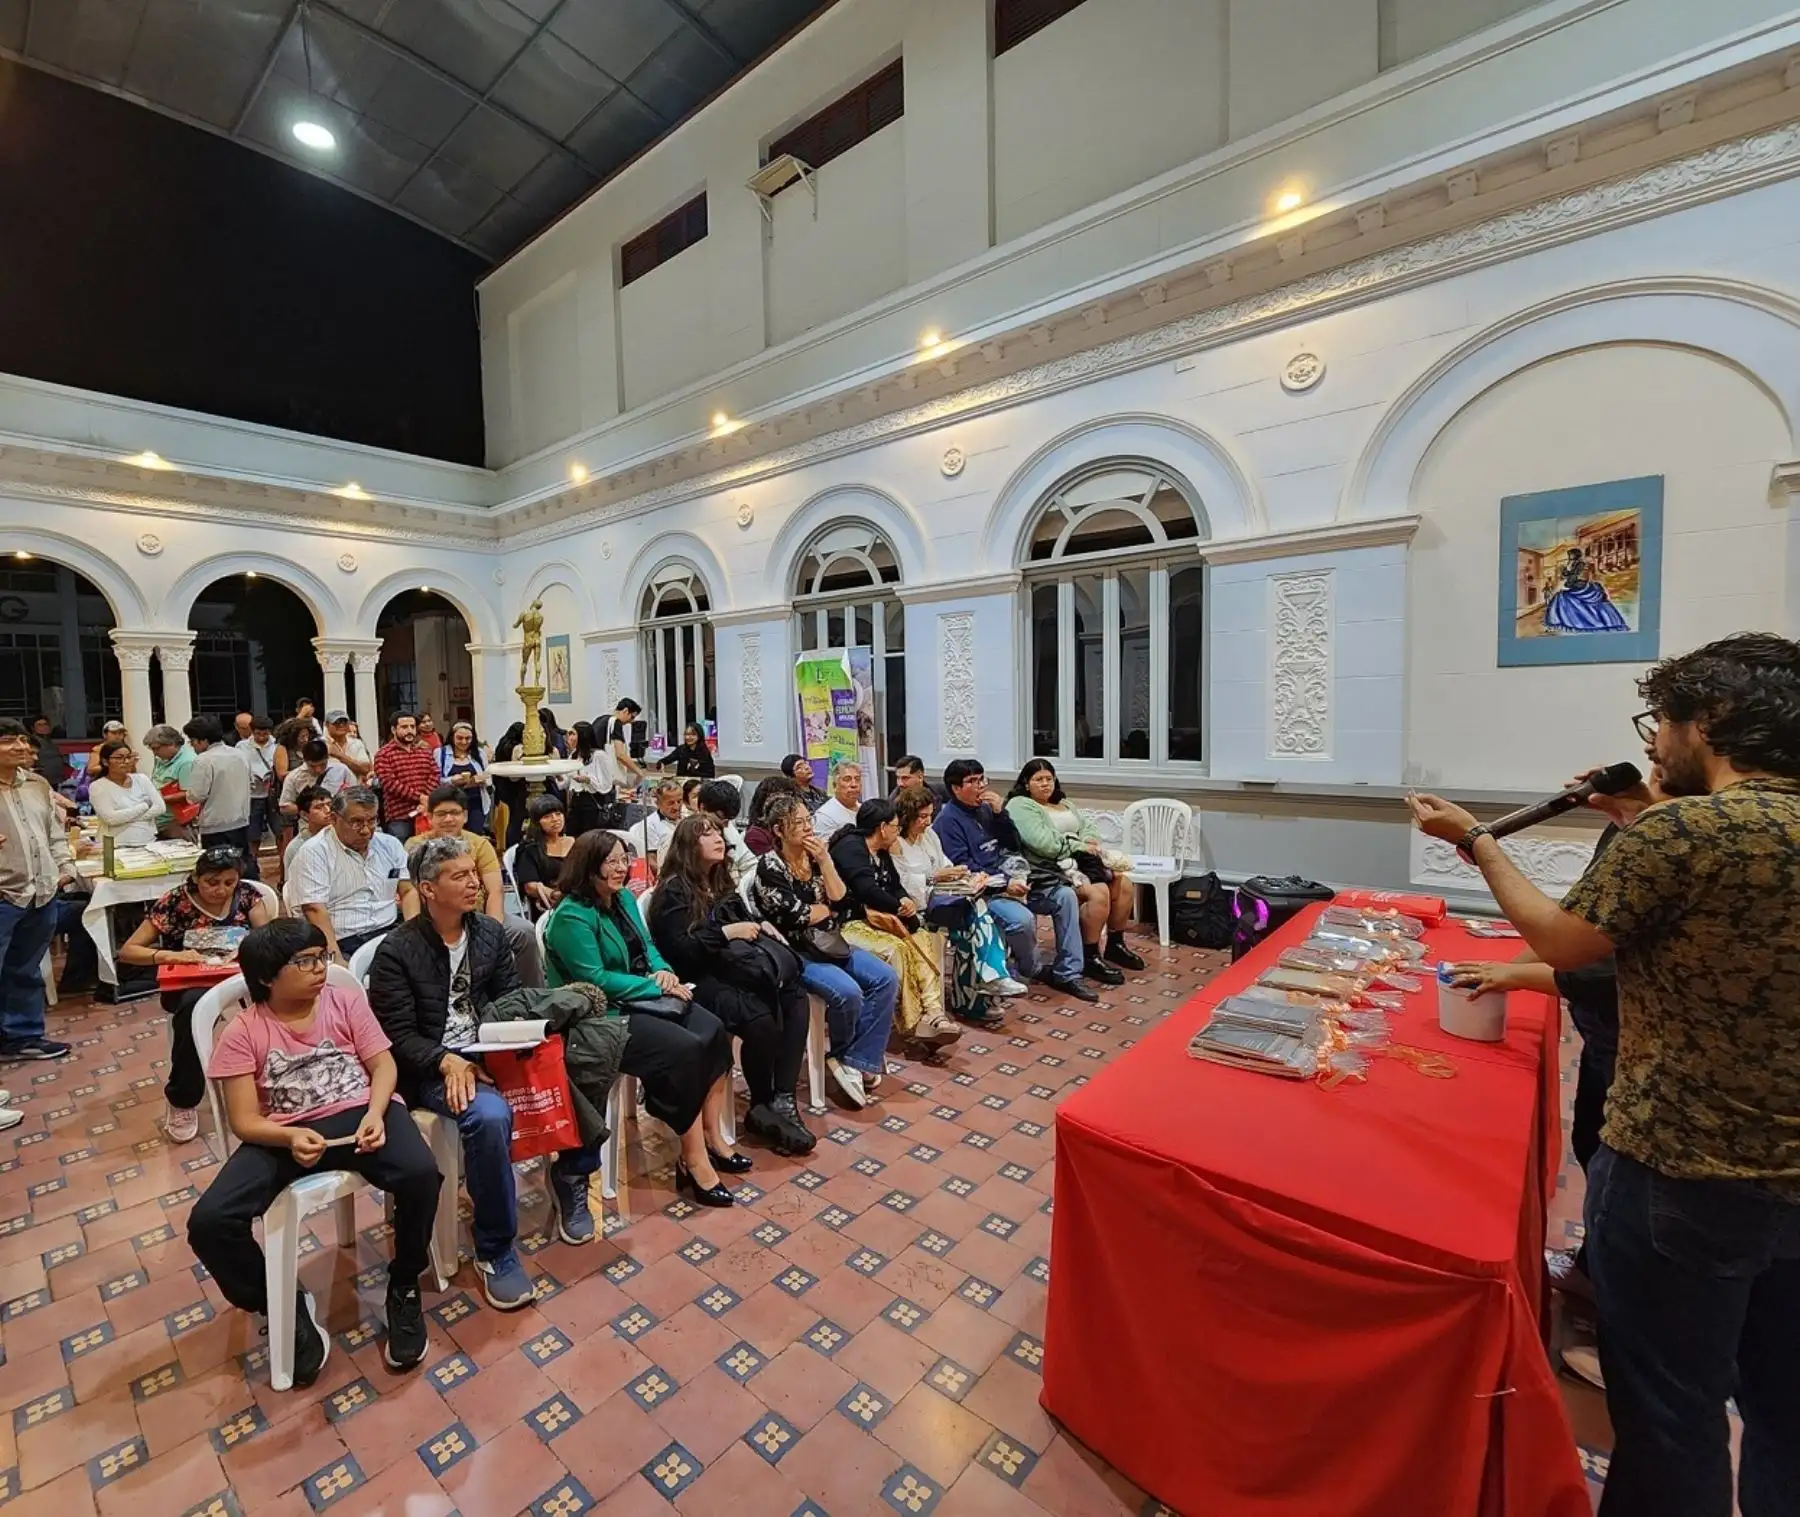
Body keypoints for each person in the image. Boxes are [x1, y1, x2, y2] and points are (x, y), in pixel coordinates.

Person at [1407, 632, 1800, 1517]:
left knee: (1671, 1412)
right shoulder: (1685, 827)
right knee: (1785, 1408)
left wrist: (1474, 838)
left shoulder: (1688, 831)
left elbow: (1563, 940)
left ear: (1714, 721)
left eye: (1664, 722)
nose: (1656, 744)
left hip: (1686, 1168)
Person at [187, 919, 439, 1385]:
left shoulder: (343, 1001)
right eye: (304, 962)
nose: (319, 968)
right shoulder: (243, 1031)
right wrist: (288, 1138)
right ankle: (279, 1303)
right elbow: (244, 1120)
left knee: (421, 1172)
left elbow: (383, 1066)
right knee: (209, 1221)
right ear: (267, 977)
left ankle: (404, 1283)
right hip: (284, 1133)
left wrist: (376, 1114)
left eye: (321, 957)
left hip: (362, 1112)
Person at [370, 837, 602, 1308]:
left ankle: (573, 1176)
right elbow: (395, 1036)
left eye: (474, 873)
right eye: (459, 876)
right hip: (432, 1064)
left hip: (487, 1047)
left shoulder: (489, 934)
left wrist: (516, 1038)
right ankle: (496, 1249)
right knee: (490, 1116)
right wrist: (447, 1060)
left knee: (575, 1060)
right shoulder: (397, 952)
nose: (474, 883)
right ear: (428, 889)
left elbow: (506, 998)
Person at [543, 830, 738, 1205]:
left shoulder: (625, 900)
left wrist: (665, 972)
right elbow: (595, 980)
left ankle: (713, 1137)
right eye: (611, 862)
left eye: (623, 860)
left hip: (644, 998)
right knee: (685, 1049)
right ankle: (693, 1157)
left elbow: (649, 948)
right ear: (588, 868)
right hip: (601, 1014)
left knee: (714, 1029)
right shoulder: (572, 916)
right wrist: (655, 986)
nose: (621, 869)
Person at [649, 815, 817, 1156]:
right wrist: (728, 932)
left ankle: (781, 1097)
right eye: (706, 834)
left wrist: (760, 924)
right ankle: (761, 1102)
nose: (718, 839)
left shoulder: (720, 880)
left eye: (718, 832)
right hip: (696, 976)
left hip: (726, 964)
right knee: (759, 1017)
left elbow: (742, 917)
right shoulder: (673, 890)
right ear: (688, 846)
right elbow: (679, 950)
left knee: (792, 993)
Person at [751, 794, 899, 1108]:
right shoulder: (770, 865)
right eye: (799, 822)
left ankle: (852, 1059)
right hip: (796, 951)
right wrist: (822, 911)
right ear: (779, 829)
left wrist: (826, 862)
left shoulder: (816, 856)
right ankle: (848, 1057)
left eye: (809, 820)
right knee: (848, 992)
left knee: (885, 977)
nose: (808, 828)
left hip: (830, 943)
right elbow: (796, 915)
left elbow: (840, 898)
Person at [117, 847, 271, 1143]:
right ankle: (183, 1099)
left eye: (229, 882)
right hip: (191, 981)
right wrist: (170, 955)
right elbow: (129, 951)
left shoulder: (247, 895)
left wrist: (250, 949)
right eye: (212, 882)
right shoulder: (175, 902)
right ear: (196, 878)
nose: (221, 890)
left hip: (238, 977)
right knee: (192, 1009)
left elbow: (267, 937)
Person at [934, 758, 1097, 1002]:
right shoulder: (947, 821)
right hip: (984, 892)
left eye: (982, 779)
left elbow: (1013, 844)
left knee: (1065, 896)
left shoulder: (986, 809)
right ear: (956, 788)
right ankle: (1032, 968)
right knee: (1022, 920)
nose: (980, 786)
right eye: (972, 781)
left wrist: (1001, 814)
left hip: (1015, 878)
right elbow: (965, 868)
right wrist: (1005, 883)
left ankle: (1068, 973)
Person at [828, 797, 960, 1051]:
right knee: (897, 949)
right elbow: (866, 890)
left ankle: (934, 1012)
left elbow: (894, 885)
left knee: (921, 937)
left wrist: (904, 900)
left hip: (880, 919)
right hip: (848, 924)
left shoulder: (881, 852)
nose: (897, 832)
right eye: (895, 827)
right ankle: (912, 1023)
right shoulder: (851, 847)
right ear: (882, 827)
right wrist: (901, 908)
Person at [894, 788, 1029, 1021]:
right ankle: (990, 978)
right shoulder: (896, 844)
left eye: (929, 815)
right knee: (977, 913)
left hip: (945, 899)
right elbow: (902, 884)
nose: (927, 821)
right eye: (922, 817)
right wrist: (935, 877)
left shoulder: (929, 836)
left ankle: (974, 997)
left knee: (971, 925)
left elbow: (945, 864)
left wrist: (962, 874)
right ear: (907, 816)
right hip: (918, 907)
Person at [1006, 757, 1143, 978]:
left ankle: (1115, 944)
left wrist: (1089, 842)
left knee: (1124, 883)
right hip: (1050, 868)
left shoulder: (1064, 803)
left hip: (1080, 860)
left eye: (1049, 779)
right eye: (1038, 779)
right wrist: (1080, 845)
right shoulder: (1020, 805)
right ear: (1026, 783)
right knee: (1098, 892)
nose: (1045, 784)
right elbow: (1044, 844)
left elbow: (1087, 827)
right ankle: (1090, 955)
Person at [406, 786, 542, 986]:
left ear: (466, 815)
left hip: (479, 917)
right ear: (429, 816)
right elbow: (411, 891)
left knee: (525, 932)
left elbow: (494, 890)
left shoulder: (479, 844)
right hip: (435, 919)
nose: (448, 819)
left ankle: (533, 995)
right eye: (441, 814)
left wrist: (492, 932)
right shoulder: (415, 846)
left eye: (455, 813)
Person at [0, 717, 76, 1061]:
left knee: (26, 969)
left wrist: (65, 868)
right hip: (5, 894)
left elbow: (53, 834)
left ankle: (23, 1037)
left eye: (20, 740)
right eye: (7, 741)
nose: (18, 747)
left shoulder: (37, 784)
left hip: (41, 892)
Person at [288, 787, 418, 963]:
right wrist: (335, 959)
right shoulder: (314, 852)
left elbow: (408, 891)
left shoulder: (390, 844)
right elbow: (314, 909)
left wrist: (413, 935)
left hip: (390, 931)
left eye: (372, 821)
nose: (366, 830)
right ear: (334, 819)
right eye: (356, 822)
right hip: (343, 940)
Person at [182, 717, 258, 879]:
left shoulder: (203, 760)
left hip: (215, 825)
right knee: (242, 862)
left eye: (193, 742)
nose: (193, 746)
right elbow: (251, 782)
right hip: (241, 820)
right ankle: (252, 894)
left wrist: (188, 794)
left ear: (203, 741)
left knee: (219, 869)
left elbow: (196, 795)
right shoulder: (240, 754)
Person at [371, 712, 438, 840]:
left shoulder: (424, 751)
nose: (410, 731)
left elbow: (435, 774)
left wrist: (426, 799)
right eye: (404, 727)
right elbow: (390, 783)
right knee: (401, 855)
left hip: (426, 811)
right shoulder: (383, 754)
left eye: (412, 727)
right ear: (393, 729)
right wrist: (420, 797)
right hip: (400, 816)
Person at [88, 738, 162, 845]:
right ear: (105, 761)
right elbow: (111, 819)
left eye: (129, 757)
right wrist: (144, 806)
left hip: (147, 841)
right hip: (116, 844)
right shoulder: (98, 786)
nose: (126, 762)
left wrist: (128, 818)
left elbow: (160, 807)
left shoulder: (142, 779)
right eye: (119, 758)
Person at [514, 794, 574, 918]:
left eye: (558, 814)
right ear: (537, 823)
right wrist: (554, 895)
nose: (555, 819)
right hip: (548, 906)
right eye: (547, 816)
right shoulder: (530, 849)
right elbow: (529, 886)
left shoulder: (574, 842)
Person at [434, 722, 490, 839]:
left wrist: (481, 779)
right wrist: (452, 781)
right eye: (459, 738)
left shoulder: (479, 754)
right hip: (451, 801)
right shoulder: (441, 754)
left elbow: (488, 776)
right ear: (452, 737)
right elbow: (435, 780)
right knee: (453, 835)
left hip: (476, 801)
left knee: (475, 835)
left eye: (468, 738)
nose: (464, 742)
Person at [694, 780, 756, 882]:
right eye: (721, 818)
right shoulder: (686, 833)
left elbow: (750, 864)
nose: (726, 825)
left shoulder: (728, 828)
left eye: (729, 820)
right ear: (702, 808)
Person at [565, 720, 618, 836]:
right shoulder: (574, 755)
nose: (570, 737)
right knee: (572, 835)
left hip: (591, 801)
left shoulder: (599, 756)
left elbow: (606, 784)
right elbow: (566, 782)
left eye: (573, 734)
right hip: (575, 800)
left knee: (589, 836)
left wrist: (588, 780)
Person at [277, 739, 351, 822]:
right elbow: (284, 807)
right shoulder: (294, 777)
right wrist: (309, 809)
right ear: (304, 760)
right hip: (309, 825)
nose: (318, 770)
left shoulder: (341, 770)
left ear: (327, 757)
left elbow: (352, 795)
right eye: (312, 766)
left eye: (322, 764)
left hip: (338, 822)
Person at [242, 715, 279, 857]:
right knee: (252, 833)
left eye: (265, 734)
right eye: (258, 734)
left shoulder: (277, 746)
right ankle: (253, 863)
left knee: (279, 830)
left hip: (272, 793)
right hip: (252, 794)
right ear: (252, 731)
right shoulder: (242, 746)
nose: (262, 737)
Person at [282, 785, 335, 884]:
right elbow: (293, 887)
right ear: (304, 815)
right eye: (319, 807)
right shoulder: (296, 848)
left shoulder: (344, 838)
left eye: (329, 805)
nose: (328, 810)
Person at [490, 722, 529, 847]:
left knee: (511, 818)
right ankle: (514, 845)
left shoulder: (502, 744)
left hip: (502, 785)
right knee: (517, 819)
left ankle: (508, 845)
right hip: (515, 786)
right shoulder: (516, 748)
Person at [602, 699, 647, 790]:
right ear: (625, 711)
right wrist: (639, 772)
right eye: (632, 717)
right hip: (607, 778)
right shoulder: (616, 723)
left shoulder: (601, 720)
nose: (631, 721)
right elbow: (620, 754)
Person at [635, 779, 684, 860]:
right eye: (671, 803)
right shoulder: (650, 826)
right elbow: (651, 861)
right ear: (658, 803)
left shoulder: (687, 819)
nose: (676, 807)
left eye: (679, 801)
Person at [145, 723, 195, 802]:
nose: (154, 753)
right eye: (152, 749)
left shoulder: (187, 762)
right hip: (159, 810)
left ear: (172, 744)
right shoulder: (162, 757)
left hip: (173, 813)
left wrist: (158, 799)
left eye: (157, 748)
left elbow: (189, 793)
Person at [811, 762, 863, 837]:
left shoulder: (864, 809)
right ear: (835, 785)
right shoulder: (825, 816)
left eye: (857, 779)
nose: (854, 784)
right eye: (847, 780)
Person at [324, 710, 372, 780]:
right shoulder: (320, 744)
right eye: (336, 722)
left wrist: (339, 755)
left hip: (354, 789)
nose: (341, 725)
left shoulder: (356, 743)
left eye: (344, 722)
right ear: (327, 725)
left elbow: (365, 768)